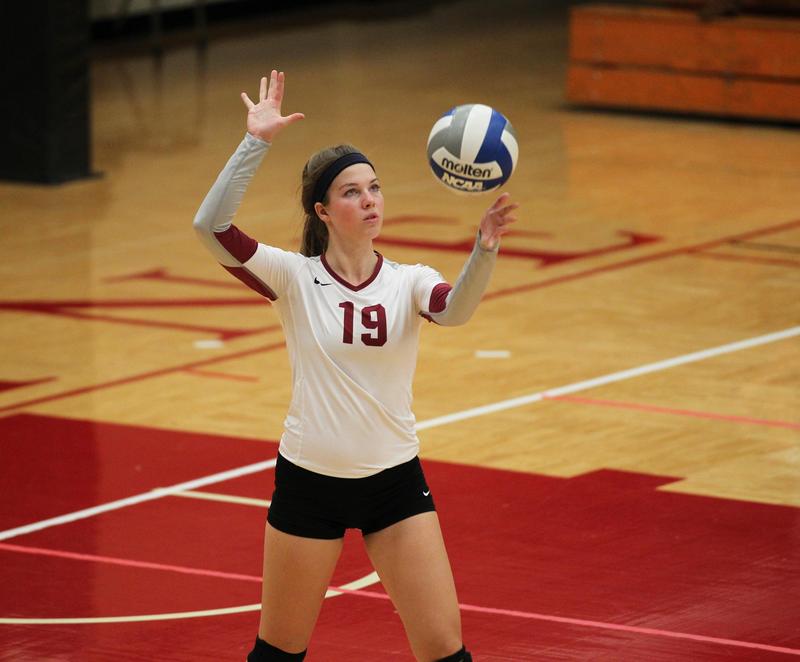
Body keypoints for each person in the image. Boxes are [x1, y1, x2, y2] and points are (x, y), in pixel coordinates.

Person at [193, 70, 518, 662]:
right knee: (279, 650)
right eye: (351, 192)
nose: (369, 200)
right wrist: (255, 142)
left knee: (446, 649)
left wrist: (485, 250)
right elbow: (209, 229)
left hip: (394, 483)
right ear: (322, 210)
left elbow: (457, 311)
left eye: (374, 187)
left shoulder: (409, 281)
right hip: (310, 483)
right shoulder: (294, 277)